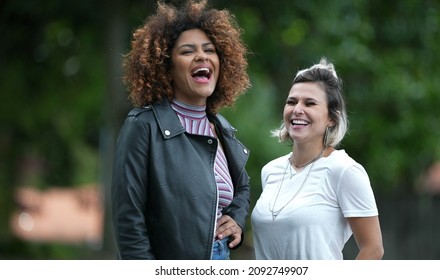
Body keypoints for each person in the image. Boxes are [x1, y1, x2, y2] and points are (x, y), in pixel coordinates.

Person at [111, 0, 252, 260]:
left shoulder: (222, 129)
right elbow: (129, 221)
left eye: (209, 50)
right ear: (166, 67)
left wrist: (236, 217)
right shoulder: (143, 126)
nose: (202, 56)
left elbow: (242, 187)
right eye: (188, 51)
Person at [251, 58, 384, 260]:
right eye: (291, 101)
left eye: (310, 103)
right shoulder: (270, 171)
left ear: (332, 118)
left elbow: (373, 249)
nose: (297, 109)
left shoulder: (344, 170)